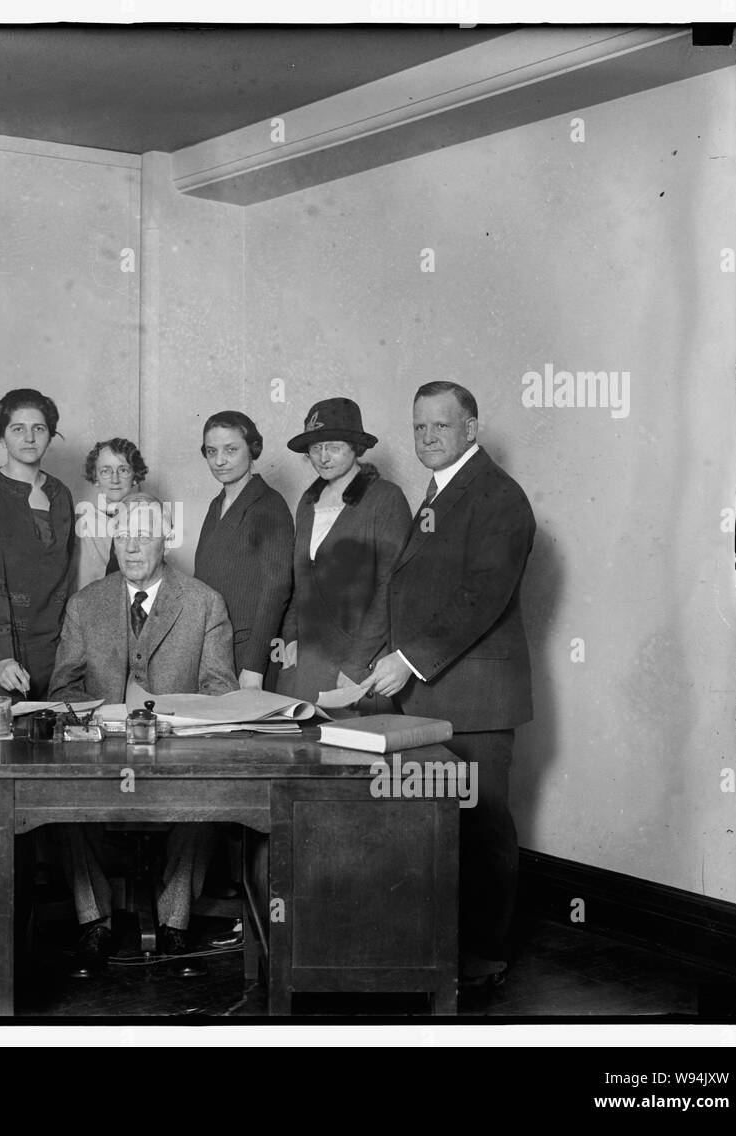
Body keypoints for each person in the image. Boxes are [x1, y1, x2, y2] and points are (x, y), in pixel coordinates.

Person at [363, 381, 536, 989]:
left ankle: (486, 957)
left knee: (483, 825)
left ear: (471, 429)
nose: (427, 437)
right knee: (440, 825)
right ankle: (442, 950)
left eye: (441, 425)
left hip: (478, 701)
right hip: (434, 696)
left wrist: (407, 659)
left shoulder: (497, 496)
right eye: (418, 427)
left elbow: (479, 597)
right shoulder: (440, 493)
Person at [49, 494, 237, 978]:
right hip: (101, 760)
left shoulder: (204, 603)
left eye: (144, 536)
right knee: (60, 800)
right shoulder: (85, 604)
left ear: (166, 539)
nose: (132, 548)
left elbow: (221, 694)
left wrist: (177, 722)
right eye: (124, 536)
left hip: (177, 758)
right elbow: (62, 690)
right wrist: (100, 720)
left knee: (206, 799)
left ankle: (175, 921)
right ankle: (95, 920)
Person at [279, 398, 411, 711]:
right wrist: (291, 637)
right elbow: (300, 582)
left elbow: (391, 589)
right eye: (315, 448)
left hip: (358, 666)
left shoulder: (385, 498)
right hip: (305, 666)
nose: (323, 457)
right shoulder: (307, 502)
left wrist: (356, 665)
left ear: (355, 448)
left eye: (334, 446)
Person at [0, 389, 75, 704]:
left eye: (38, 428)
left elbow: (65, 577)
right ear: (1, 435)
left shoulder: (60, 493)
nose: (29, 438)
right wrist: (2, 657)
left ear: (50, 435)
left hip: (53, 650)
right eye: (17, 429)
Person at [193, 411, 293, 690]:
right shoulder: (217, 504)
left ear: (253, 449)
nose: (220, 460)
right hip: (214, 647)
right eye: (211, 452)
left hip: (248, 653)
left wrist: (254, 667)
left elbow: (277, 590)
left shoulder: (269, 504)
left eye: (231, 450)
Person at [73, 437, 147, 592]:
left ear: (135, 477)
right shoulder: (79, 524)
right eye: (105, 471)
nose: (115, 479)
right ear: (95, 478)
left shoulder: (150, 523)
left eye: (123, 470)